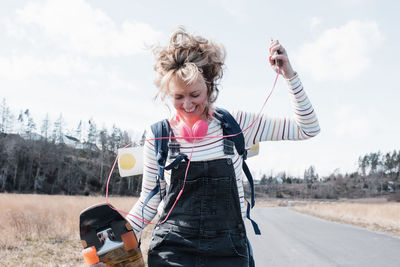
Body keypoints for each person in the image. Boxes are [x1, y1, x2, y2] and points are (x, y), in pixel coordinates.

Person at [92, 26, 320, 267]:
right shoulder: (159, 135)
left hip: (229, 250)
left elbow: (308, 128)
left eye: (195, 95)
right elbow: (149, 200)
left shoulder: (237, 124)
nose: (187, 104)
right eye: (178, 97)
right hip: (173, 249)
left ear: (209, 88)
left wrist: (290, 76)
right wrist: (114, 250)